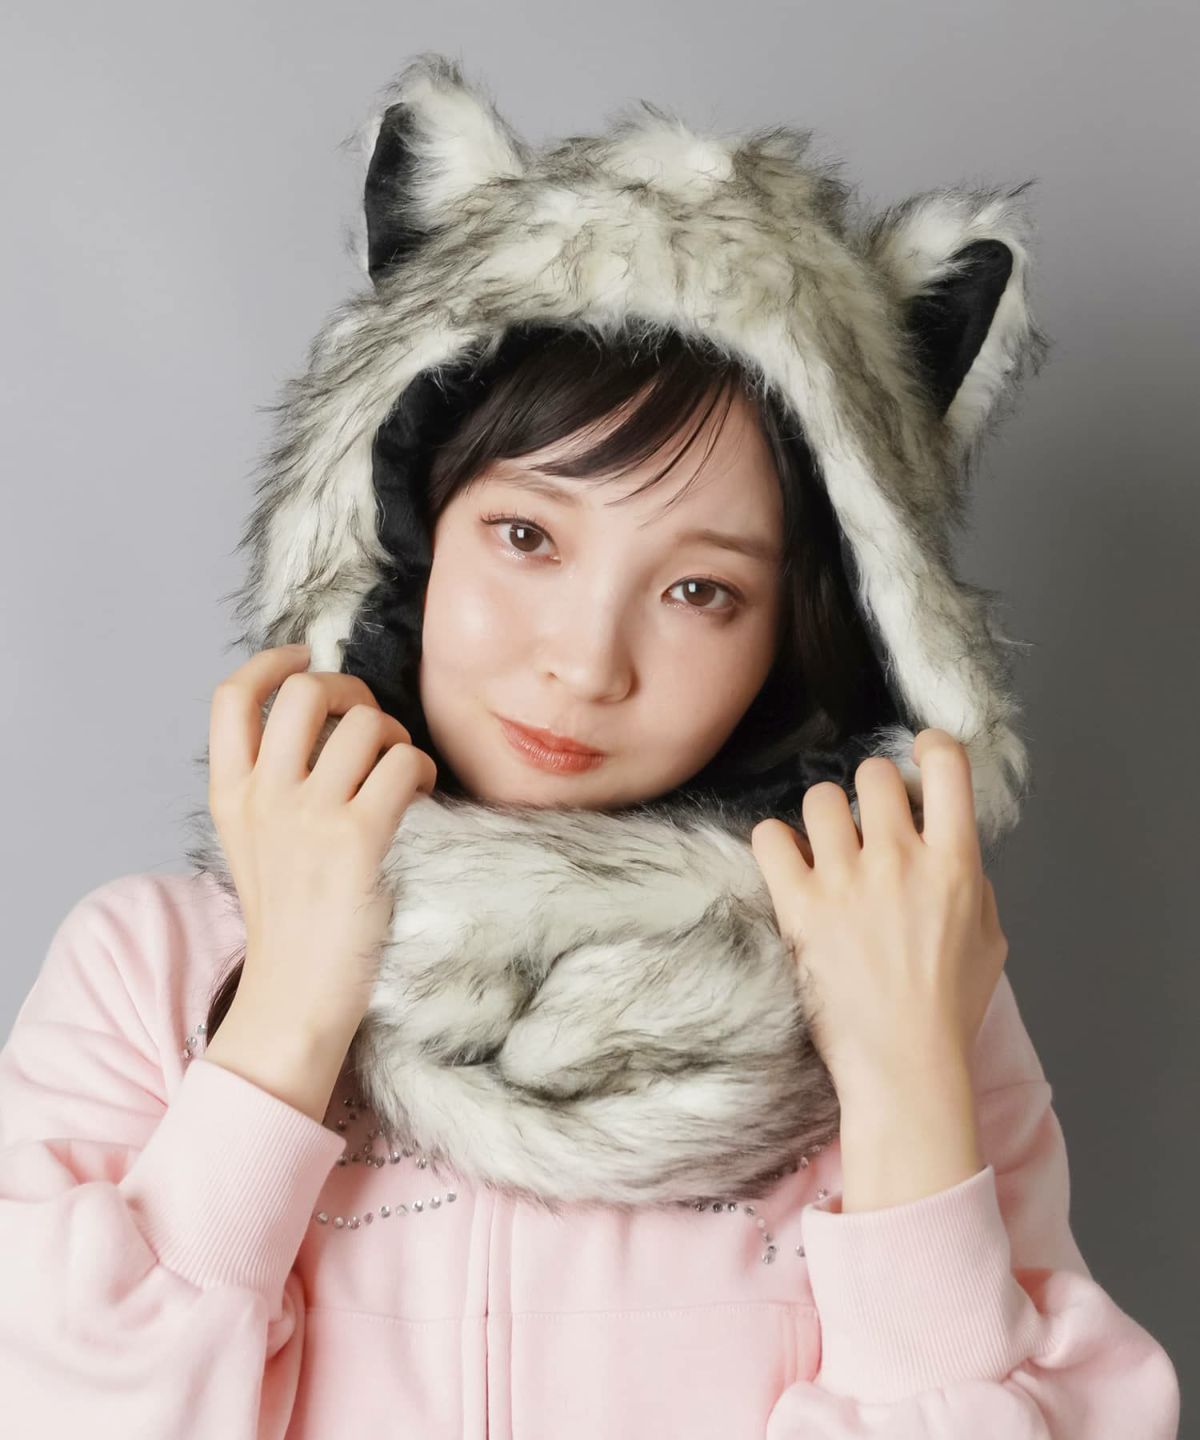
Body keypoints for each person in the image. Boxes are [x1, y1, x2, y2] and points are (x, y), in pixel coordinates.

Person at [0, 50, 1180, 1439]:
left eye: (702, 591)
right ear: (402, 541)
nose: (585, 662)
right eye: (526, 535)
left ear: (810, 637)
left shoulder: (906, 979)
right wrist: (292, 1004)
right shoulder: (153, 971)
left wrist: (907, 1082)